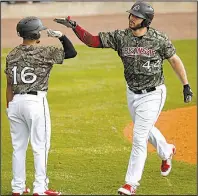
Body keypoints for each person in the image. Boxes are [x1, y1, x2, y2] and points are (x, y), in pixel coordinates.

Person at [54, 1, 193, 195]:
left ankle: (131, 184)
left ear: (146, 21)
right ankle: (167, 151)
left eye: (136, 16)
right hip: (132, 93)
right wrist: (76, 27)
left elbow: (174, 59)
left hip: (153, 94)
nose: (131, 18)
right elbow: (93, 41)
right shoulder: (121, 37)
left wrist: (185, 85)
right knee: (145, 129)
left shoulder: (159, 39)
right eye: (131, 15)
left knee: (139, 137)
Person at [5, 16, 77, 196]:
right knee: (40, 146)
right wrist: (61, 36)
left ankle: (18, 188)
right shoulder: (44, 52)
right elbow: (71, 52)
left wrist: (9, 107)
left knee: (18, 148)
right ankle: (40, 188)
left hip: (14, 104)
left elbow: (8, 84)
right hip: (35, 104)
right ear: (36, 33)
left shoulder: (11, 54)